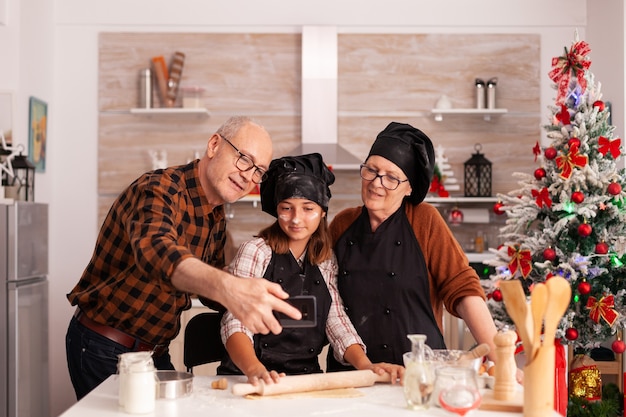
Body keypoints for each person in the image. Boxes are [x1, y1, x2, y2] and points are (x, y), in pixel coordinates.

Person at [65, 116, 302, 400]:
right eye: (243, 159)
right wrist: (229, 288)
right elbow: (157, 250)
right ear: (214, 145)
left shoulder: (215, 213)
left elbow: (209, 284)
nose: (248, 176)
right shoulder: (159, 188)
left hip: (153, 353)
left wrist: (253, 285)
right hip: (104, 345)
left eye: (258, 171)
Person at [326, 121, 500, 373]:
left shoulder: (425, 220)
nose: (376, 183)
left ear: (409, 188)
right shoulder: (342, 224)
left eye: (391, 178)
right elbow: (327, 297)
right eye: (371, 170)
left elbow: (462, 288)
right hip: (355, 374)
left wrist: (499, 358)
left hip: (419, 373)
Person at [217, 153, 404, 386]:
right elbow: (235, 321)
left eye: (308, 209)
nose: (296, 219)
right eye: (287, 208)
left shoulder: (325, 261)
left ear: (323, 211)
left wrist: (366, 367)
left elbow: (336, 321)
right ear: (277, 210)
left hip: (305, 381)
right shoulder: (256, 252)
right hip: (247, 378)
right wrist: (255, 369)